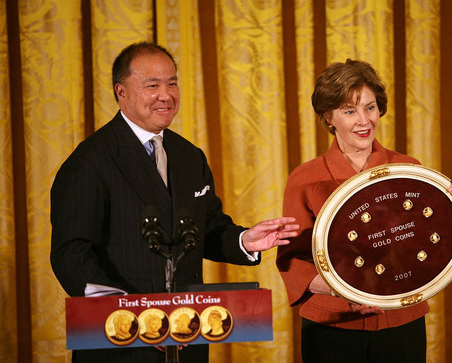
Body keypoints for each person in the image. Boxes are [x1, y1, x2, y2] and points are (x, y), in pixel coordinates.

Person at [50, 41, 299, 363]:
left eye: (172, 83)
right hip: (121, 344)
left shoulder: (188, 156)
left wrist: (243, 240)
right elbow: (72, 253)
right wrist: (131, 318)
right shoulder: (91, 160)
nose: (166, 95)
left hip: (187, 338)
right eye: (152, 85)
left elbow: (205, 227)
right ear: (121, 92)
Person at [276, 59, 452, 362]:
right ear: (329, 118)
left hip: (401, 322)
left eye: (370, 107)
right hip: (332, 327)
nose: (363, 120)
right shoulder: (304, 179)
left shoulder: (409, 170)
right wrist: (345, 292)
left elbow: (427, 238)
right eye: (349, 110)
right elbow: (293, 263)